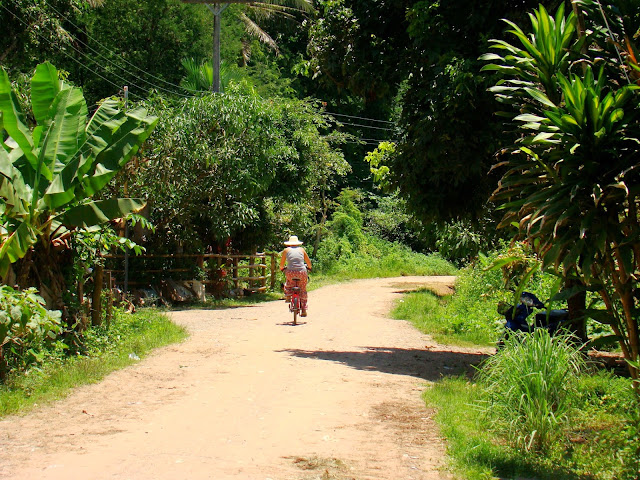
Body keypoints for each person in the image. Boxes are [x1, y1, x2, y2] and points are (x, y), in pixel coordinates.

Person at [279, 235, 312, 317]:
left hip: (290, 272)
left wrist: (282, 269)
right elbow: (308, 263)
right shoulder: (302, 250)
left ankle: (288, 296)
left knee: (289, 283)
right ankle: (303, 309)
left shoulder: (286, 250)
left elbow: (281, 264)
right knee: (303, 288)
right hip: (302, 272)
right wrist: (309, 268)